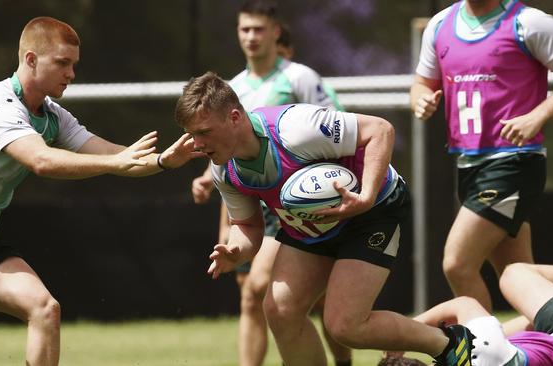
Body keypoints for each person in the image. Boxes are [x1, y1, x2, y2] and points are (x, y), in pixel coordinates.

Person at [0, 16, 200, 366]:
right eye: (62, 63)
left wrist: (164, 161)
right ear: (30, 59)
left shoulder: (52, 116)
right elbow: (42, 161)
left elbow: (115, 155)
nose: (71, 73)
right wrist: (115, 164)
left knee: (44, 309)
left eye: (74, 64)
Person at [176, 71, 476, 366]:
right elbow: (247, 225)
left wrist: (366, 196)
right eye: (192, 135)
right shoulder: (223, 168)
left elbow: (380, 130)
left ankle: (450, 344)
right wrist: (236, 250)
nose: (197, 144)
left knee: (345, 325)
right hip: (310, 224)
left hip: (373, 212)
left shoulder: (294, 128)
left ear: (235, 117)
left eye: (204, 132)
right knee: (280, 310)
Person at [190, 1, 349, 365]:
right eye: (244, 29)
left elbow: (334, 128)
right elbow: (224, 149)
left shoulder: (300, 78)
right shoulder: (231, 88)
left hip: (296, 203)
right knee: (250, 293)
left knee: (300, 298)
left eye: (258, 29)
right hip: (247, 202)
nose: (251, 37)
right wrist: (204, 178)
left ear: (276, 32)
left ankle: (342, 361)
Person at [410, 0, 553, 311]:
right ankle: (543, 343)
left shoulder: (529, 22)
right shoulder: (440, 25)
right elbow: (422, 83)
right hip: (468, 165)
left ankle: (488, 352)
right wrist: (421, 99)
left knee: (457, 263)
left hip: (514, 162)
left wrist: (537, 116)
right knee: (519, 277)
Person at [385, 262, 553, 365]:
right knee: (514, 274)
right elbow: (464, 304)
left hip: (540, 342)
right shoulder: (478, 352)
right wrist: (405, 336)